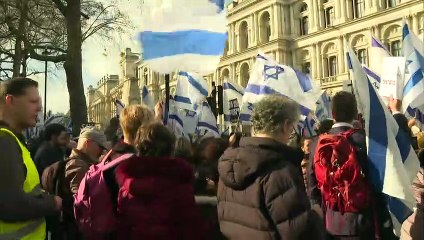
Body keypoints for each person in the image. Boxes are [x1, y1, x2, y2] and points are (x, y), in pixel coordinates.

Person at [218, 95, 325, 240]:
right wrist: (316, 216)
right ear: (285, 125)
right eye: (292, 128)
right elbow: (298, 232)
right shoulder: (279, 171)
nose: (291, 134)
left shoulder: (229, 164)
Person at [308, 91, 396, 240]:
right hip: (364, 221)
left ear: (333, 113)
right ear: (356, 114)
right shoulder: (366, 141)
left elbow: (312, 189)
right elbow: (379, 185)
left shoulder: (317, 144)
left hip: (331, 223)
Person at [114, 122, 206, 240]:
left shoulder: (127, 185)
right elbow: (191, 228)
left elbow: (123, 227)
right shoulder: (179, 184)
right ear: (170, 147)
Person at [0, 77, 61, 240]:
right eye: (33, 101)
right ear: (10, 100)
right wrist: (52, 202)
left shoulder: (12, 139)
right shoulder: (4, 141)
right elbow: (10, 204)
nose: (40, 107)